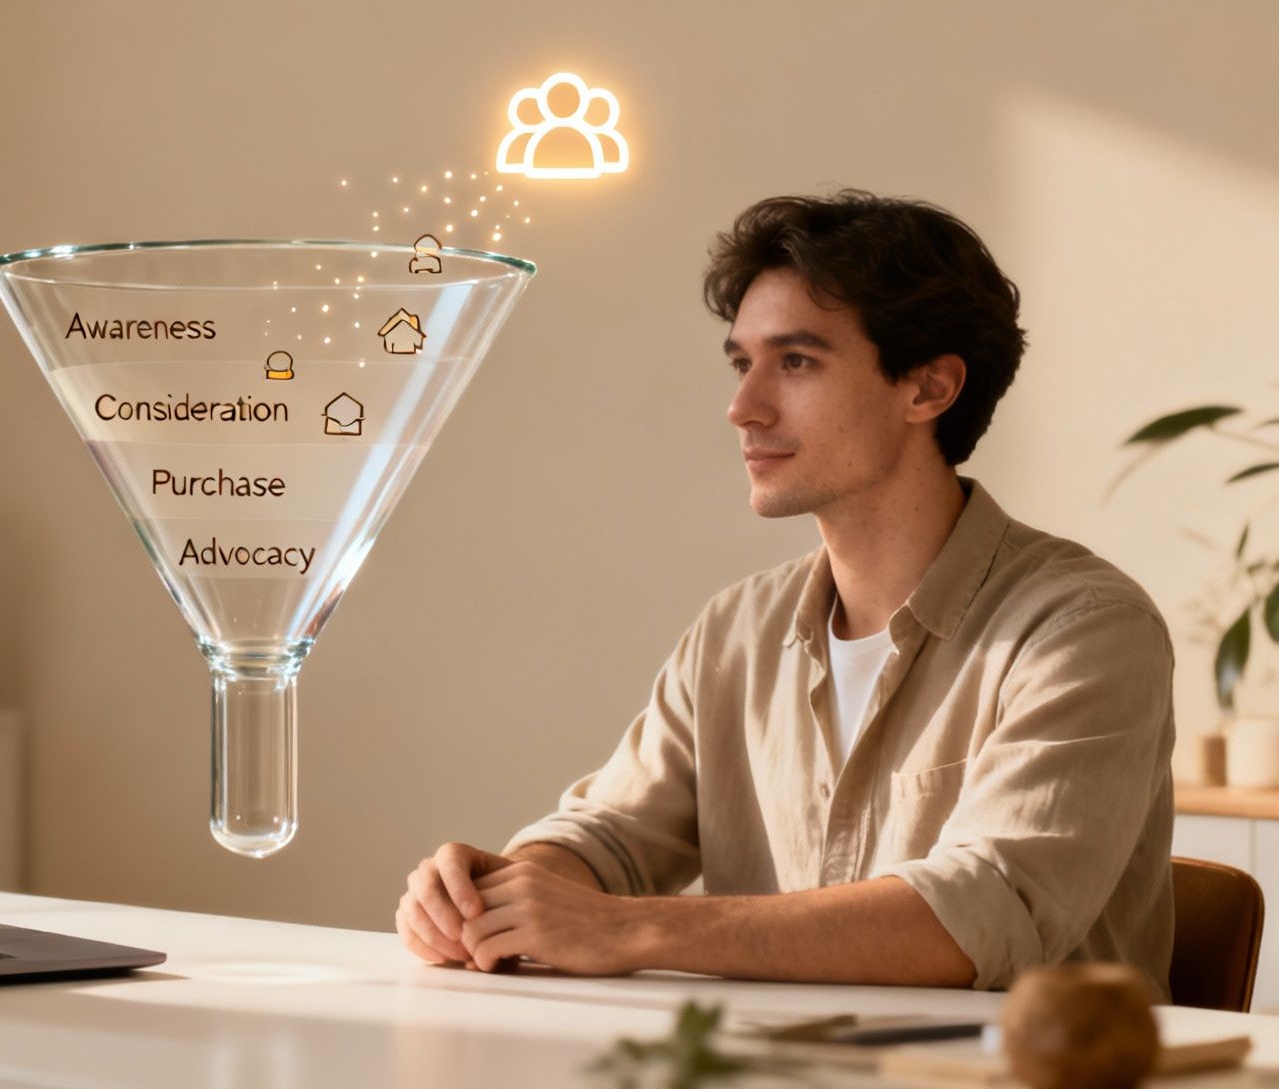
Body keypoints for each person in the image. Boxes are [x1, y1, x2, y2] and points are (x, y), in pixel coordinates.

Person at [397, 190, 1175, 997]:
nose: (743, 407)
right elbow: (614, 835)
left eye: (796, 362)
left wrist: (628, 928)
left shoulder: (1083, 630)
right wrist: (501, 892)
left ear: (929, 389)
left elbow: (986, 911)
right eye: (743, 363)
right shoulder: (736, 631)